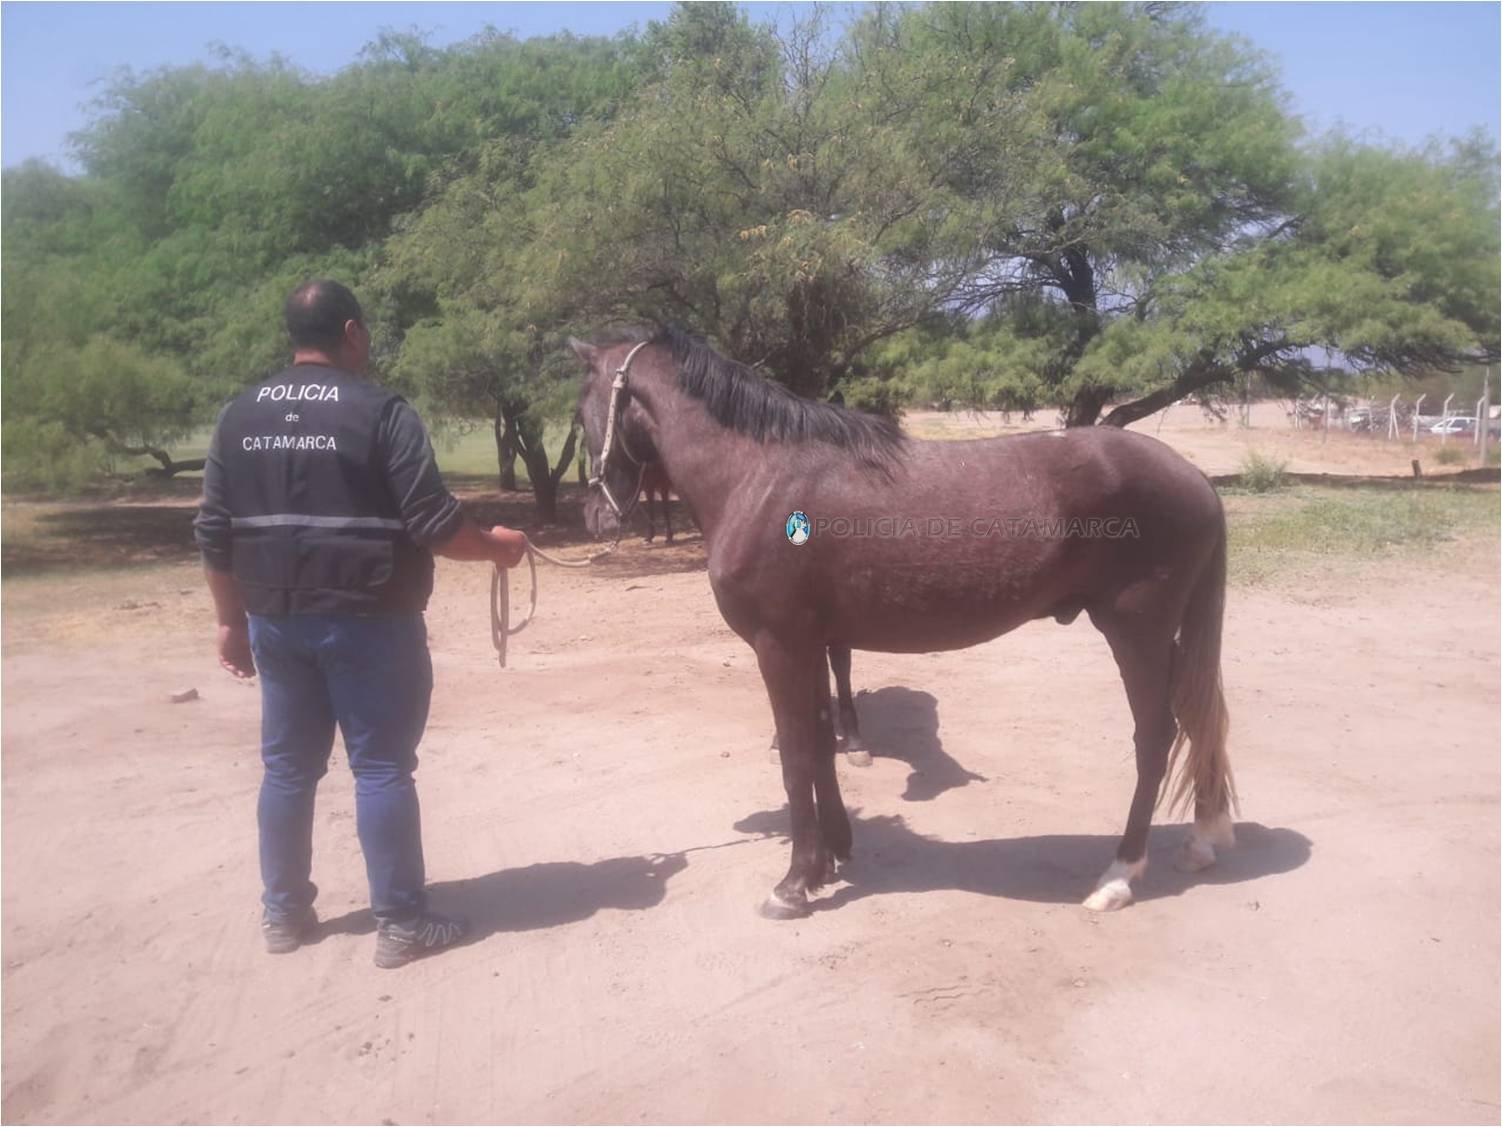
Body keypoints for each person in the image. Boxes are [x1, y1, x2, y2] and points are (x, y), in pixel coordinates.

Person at [194, 280, 528, 969]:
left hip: (276, 621)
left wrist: (230, 622)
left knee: (287, 769)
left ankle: (284, 914)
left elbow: (213, 530)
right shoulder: (382, 411)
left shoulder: (238, 416)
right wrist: (499, 547)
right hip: (371, 621)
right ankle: (401, 921)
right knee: (380, 767)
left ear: (294, 334)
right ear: (352, 332)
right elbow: (435, 524)